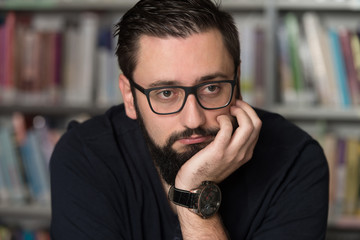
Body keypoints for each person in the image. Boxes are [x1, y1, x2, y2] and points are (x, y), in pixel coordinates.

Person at [50, 0, 329, 239]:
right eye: (166, 93)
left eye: (211, 88)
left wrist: (192, 196)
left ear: (237, 82)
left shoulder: (295, 161)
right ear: (129, 97)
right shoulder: (84, 157)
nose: (193, 119)